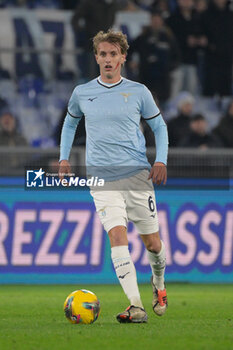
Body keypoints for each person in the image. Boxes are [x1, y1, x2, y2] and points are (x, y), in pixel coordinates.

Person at [59, 30, 168, 323]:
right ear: (96, 57)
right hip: (101, 179)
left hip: (136, 177)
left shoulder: (139, 91)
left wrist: (161, 160)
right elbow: (70, 126)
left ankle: (158, 284)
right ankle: (136, 306)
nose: (108, 59)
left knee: (153, 245)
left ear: (123, 57)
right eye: (103, 54)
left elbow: (160, 128)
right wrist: (64, 158)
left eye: (113, 54)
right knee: (117, 235)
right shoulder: (82, 92)